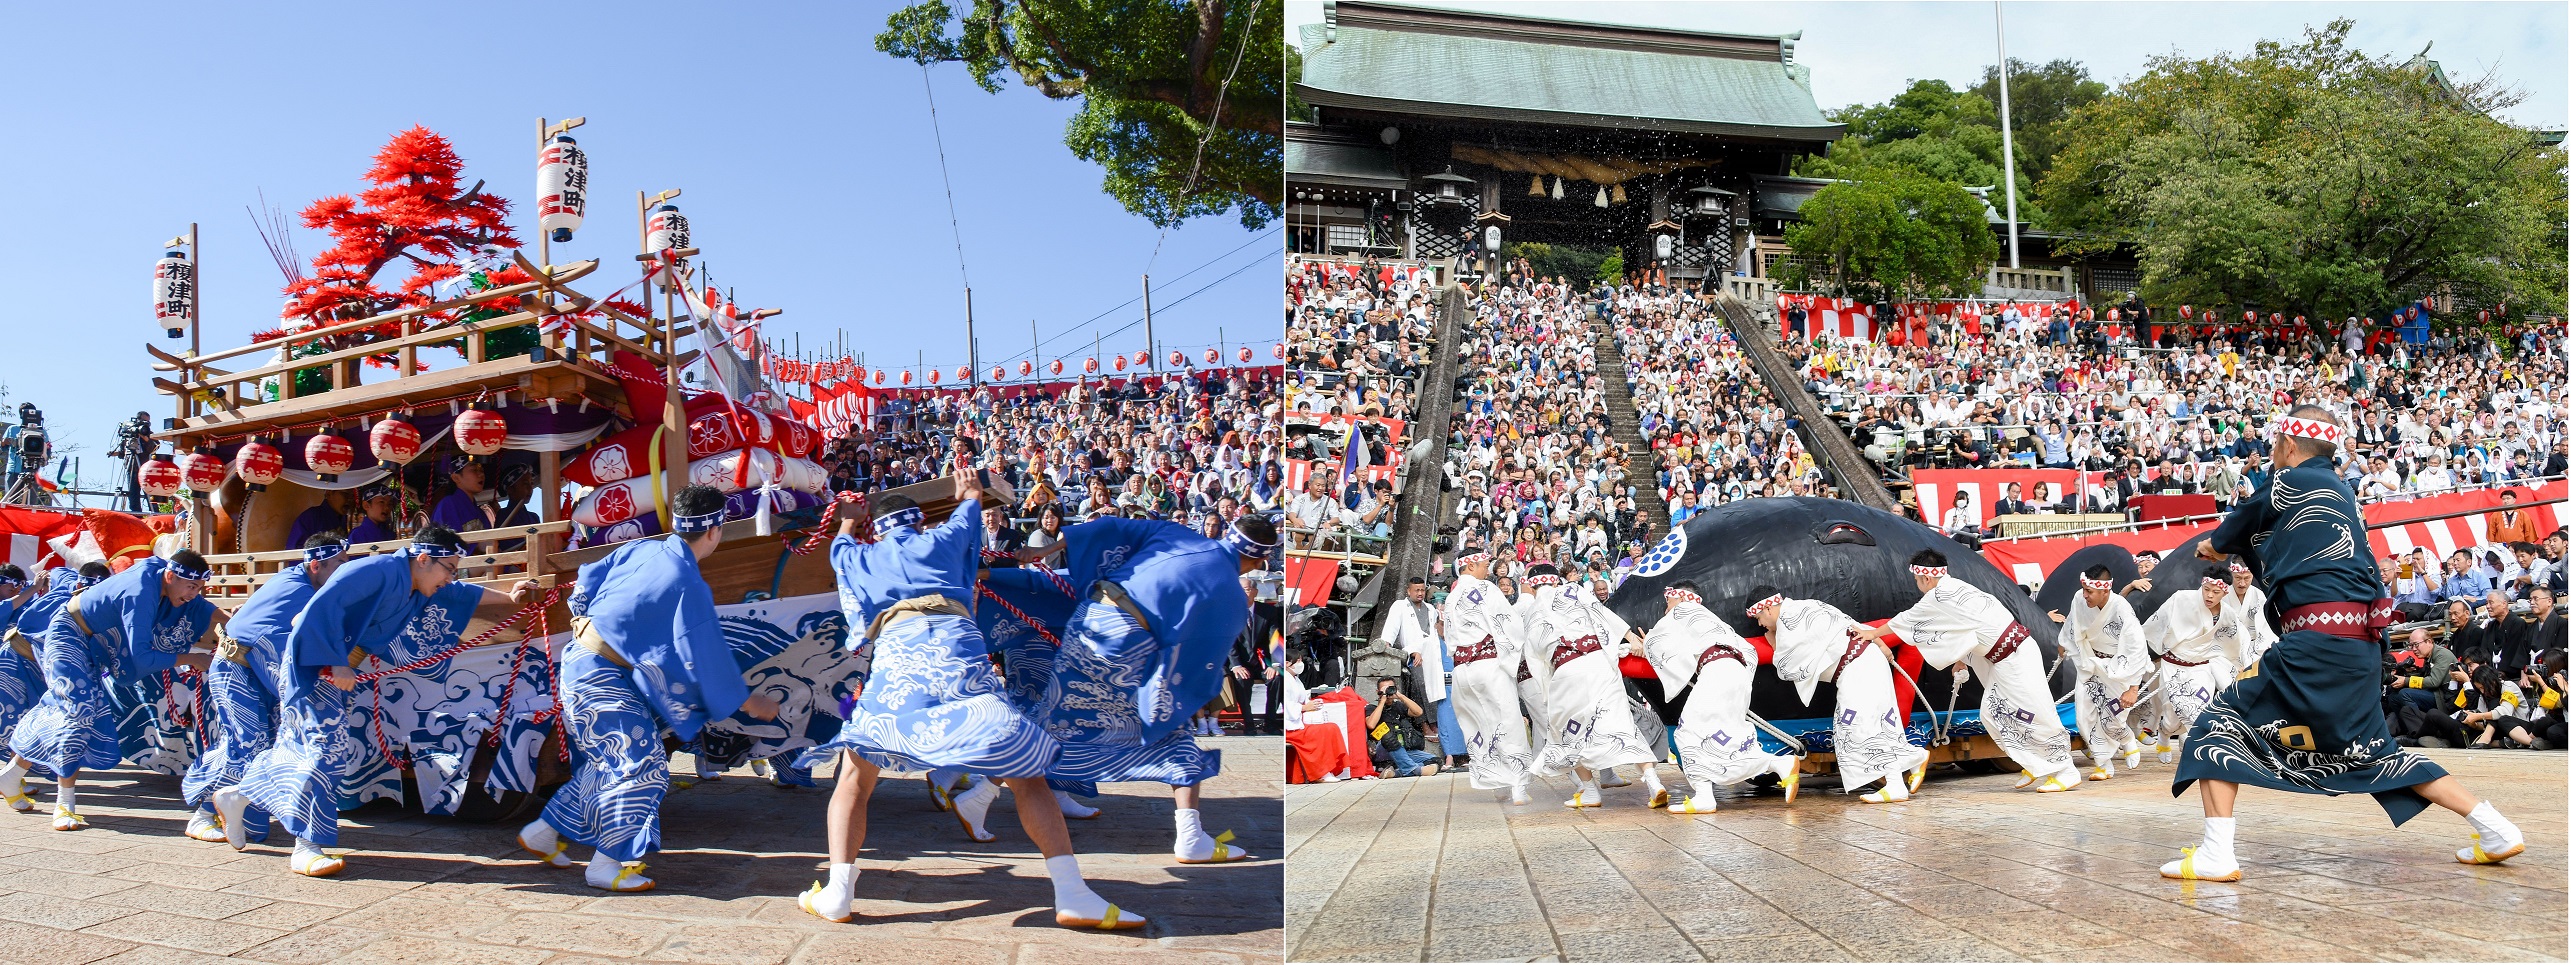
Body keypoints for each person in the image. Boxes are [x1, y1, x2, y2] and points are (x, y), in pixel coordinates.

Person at [2164, 406, 2526, 882]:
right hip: (2357, 646)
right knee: (2377, 751)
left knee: (2219, 724)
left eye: (2274, 449)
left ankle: (2216, 853)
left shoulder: (2287, 483)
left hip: (2313, 642)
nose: (2272, 457)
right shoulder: (2345, 496)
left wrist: (2214, 545)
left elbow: (2232, 532)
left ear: (2289, 447)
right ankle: (2494, 827)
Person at [793, 465, 1139, 929]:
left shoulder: (860, 556)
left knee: (855, 779)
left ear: (881, 529)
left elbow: (840, 546)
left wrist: (852, 518)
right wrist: (968, 492)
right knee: (1027, 774)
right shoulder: (944, 538)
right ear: (918, 522)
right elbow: (971, 508)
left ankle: (838, 893)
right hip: (959, 657)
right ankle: (1072, 892)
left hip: (898, 665)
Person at [215, 527, 538, 876]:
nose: (450, 577)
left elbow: (457, 594)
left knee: (301, 746)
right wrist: (335, 660)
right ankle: (306, 845)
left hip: (339, 666)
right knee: (327, 747)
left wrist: (508, 597)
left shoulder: (417, 584)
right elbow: (317, 610)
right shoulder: (374, 570)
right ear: (424, 558)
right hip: (317, 663)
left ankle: (239, 796)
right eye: (448, 568)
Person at [516, 485, 779, 892]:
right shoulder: (687, 580)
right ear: (716, 531)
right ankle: (608, 864)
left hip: (583, 663)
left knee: (610, 763)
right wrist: (745, 699)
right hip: (600, 674)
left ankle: (545, 831)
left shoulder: (642, 549)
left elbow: (587, 578)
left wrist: (590, 622)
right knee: (644, 767)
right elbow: (703, 652)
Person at [1010, 511, 1267, 865]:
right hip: (1127, 644)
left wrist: (1048, 549)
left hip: (1091, 617)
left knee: (1052, 721)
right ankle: (1190, 836)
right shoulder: (1231, 596)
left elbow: (1109, 526)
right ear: (1258, 559)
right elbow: (1198, 663)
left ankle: (978, 792)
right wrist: (1171, 695)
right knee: (1172, 733)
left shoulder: (1179, 534)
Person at [0, 550, 217, 830]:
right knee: (78, 712)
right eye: (191, 587)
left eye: (200, 588)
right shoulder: (140, 592)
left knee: (67, 711)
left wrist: (231, 620)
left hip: (94, 646)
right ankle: (64, 803)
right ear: (171, 575)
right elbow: (141, 657)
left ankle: (11, 774)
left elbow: (198, 607)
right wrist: (192, 658)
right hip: (67, 635)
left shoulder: (161, 578)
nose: (193, 594)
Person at [1857, 551, 2079, 793]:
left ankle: (2066, 770)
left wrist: (1873, 633)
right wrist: (1961, 659)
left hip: (2014, 656)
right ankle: (2037, 764)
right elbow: (1965, 626)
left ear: (1925, 578)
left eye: (1917, 580)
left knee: (2035, 713)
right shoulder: (1957, 587)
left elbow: (1909, 619)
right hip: (2004, 658)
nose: (1917, 585)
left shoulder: (1939, 595)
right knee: (1994, 714)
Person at [182, 533, 353, 846]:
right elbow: (289, 643)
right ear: (315, 565)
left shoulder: (308, 585)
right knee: (246, 743)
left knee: (269, 745)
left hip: (259, 671)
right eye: (339, 564)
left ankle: (236, 811)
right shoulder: (296, 590)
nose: (344, 571)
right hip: (235, 668)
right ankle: (202, 815)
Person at [1754, 586, 1929, 803]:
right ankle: (1913, 756)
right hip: (1865, 659)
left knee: (1857, 727)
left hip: (1858, 666)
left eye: (1759, 617)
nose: (1760, 624)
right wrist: (1879, 643)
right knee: (1877, 723)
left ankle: (1895, 786)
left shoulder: (1790, 621)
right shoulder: (1809, 606)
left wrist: (1774, 642)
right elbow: (1848, 622)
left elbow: (1787, 668)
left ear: (1768, 609)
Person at [1638, 582, 1803, 813]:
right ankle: (1779, 763)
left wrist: (1645, 643)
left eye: (1668, 602)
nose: (1667, 609)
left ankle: (1705, 796)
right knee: (1726, 739)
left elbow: (1655, 642)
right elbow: (1750, 652)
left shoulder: (1682, 610)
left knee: (1687, 733)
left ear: (1680, 597)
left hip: (1716, 672)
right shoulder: (1716, 622)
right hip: (1737, 674)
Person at [1522, 563, 1662, 808]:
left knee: (1567, 732)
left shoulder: (1532, 612)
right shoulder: (1573, 591)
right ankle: (1653, 782)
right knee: (1622, 724)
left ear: (1533, 587)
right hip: (1599, 663)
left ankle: (1589, 791)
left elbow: (1536, 659)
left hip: (1566, 669)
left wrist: (1547, 691)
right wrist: (1630, 637)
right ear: (1556, 581)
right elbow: (1603, 615)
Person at [1441, 552, 1534, 804]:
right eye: (1484, 566)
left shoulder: (1450, 598)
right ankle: (1517, 786)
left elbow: (1449, 640)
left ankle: (1497, 782)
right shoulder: (1484, 588)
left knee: (1479, 725)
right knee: (1507, 720)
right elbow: (1508, 624)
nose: (1487, 571)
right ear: (1470, 565)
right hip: (1487, 664)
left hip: (1461, 670)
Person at [2141, 566, 2253, 767]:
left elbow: (2239, 639)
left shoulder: (2226, 614)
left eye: (2216, 592)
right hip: (2174, 665)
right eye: (2206, 589)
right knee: (2172, 716)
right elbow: (2155, 625)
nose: (2209, 595)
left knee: (2198, 712)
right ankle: (2165, 734)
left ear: (2225, 592)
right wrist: (2151, 653)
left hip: (2201, 667)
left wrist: (2243, 664)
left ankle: (2201, 759)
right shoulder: (2180, 599)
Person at [2051, 564, 2150, 780]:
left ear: (2105, 590)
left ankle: (2126, 738)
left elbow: (2137, 648)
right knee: (2083, 716)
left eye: (2090, 591)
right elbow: (2072, 623)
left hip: (2118, 667)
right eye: (2084, 589)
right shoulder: (2079, 598)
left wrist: (2133, 688)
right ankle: (2103, 764)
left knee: (2112, 718)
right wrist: (2064, 643)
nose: (2085, 595)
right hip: (2090, 663)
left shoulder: (2121, 608)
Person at [1382, 578, 1455, 766]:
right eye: (1416, 590)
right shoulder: (1400, 606)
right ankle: (1425, 723)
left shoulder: (1430, 609)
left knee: (1437, 679)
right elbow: (1391, 630)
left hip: (1430, 651)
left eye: (1422, 590)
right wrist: (1387, 645)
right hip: (1410, 651)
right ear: (1408, 591)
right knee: (1420, 678)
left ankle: (1434, 721)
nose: (1420, 593)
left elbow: (1434, 633)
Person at [430, 455, 498, 536]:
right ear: (456, 478)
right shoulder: (447, 505)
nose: (481, 474)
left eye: (481, 470)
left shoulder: (479, 512)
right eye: (474, 470)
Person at [285, 490, 349, 552]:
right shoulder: (310, 517)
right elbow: (295, 553)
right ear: (329, 494)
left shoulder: (348, 519)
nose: (349, 500)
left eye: (353, 496)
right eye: (346, 494)